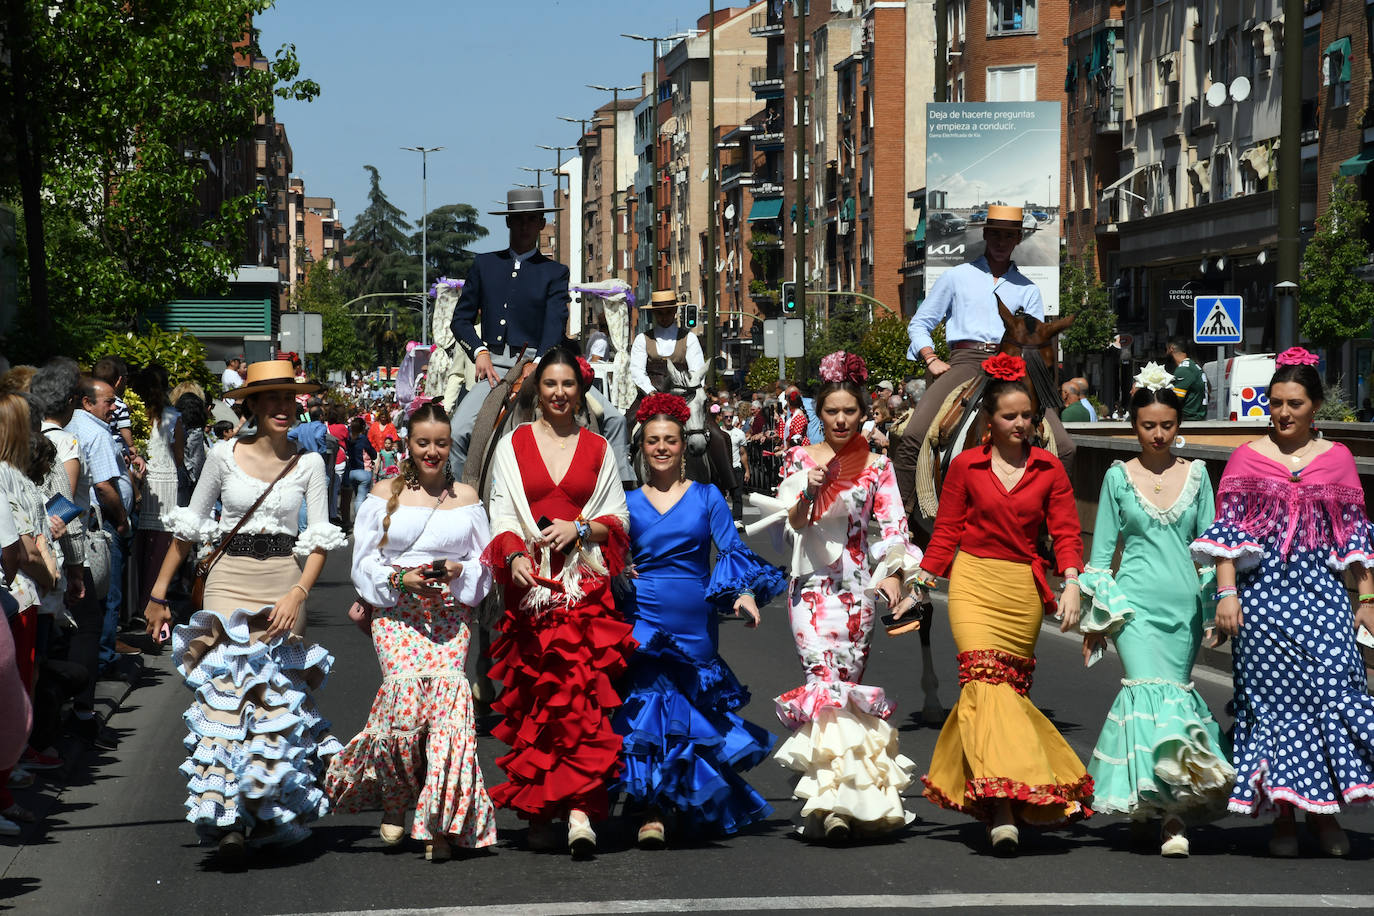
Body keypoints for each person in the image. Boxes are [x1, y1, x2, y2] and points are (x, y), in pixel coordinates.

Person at [142, 360, 347, 862]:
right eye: (272, 398)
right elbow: (189, 529)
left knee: (272, 703)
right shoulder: (222, 455)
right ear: (251, 404)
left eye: (289, 398)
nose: (283, 407)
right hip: (227, 581)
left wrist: (298, 593)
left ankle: (265, 807)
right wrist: (158, 594)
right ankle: (228, 818)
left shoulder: (310, 463)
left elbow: (319, 539)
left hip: (283, 583)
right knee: (227, 699)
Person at [1192, 348, 1374, 858]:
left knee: (1334, 694)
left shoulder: (1338, 459)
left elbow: (1354, 535)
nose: (1284, 413)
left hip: (1322, 599)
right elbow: (1228, 535)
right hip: (1262, 603)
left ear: (1315, 406)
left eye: (1295, 403)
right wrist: (1227, 593)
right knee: (1274, 709)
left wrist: (1367, 597)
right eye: (1275, 403)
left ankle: (1326, 815)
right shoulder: (1246, 457)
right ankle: (1286, 820)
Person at [916, 353, 1090, 856]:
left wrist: (1072, 582)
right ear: (988, 420)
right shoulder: (965, 465)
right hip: (972, 582)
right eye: (1009, 416)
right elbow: (947, 530)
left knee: (1006, 694)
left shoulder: (1049, 467)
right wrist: (923, 578)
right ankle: (1004, 809)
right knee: (982, 683)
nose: (1020, 424)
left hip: (1021, 590)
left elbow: (1066, 532)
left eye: (1027, 416)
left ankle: (1003, 792)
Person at [750, 351, 924, 843]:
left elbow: (894, 528)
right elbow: (791, 524)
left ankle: (845, 801)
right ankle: (831, 804)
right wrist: (808, 491)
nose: (842, 419)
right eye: (832, 411)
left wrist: (894, 575)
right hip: (809, 590)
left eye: (850, 411)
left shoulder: (879, 467)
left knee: (844, 690)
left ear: (863, 413)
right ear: (819, 414)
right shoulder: (799, 459)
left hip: (856, 592)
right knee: (822, 685)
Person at [326, 402, 497, 862]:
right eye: (423, 443)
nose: (432, 452)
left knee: (447, 720)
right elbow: (363, 562)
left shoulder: (467, 498)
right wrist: (401, 579)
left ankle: (439, 824)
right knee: (405, 713)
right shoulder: (383, 492)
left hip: (449, 616)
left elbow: (485, 564)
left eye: (440, 443)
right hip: (398, 614)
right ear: (409, 444)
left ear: (450, 446)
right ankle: (398, 800)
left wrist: (459, 570)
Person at [613, 394, 786, 847]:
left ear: (683, 446)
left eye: (670, 440)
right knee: (649, 703)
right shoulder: (625, 502)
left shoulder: (708, 496)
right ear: (641, 447)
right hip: (643, 613)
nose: (662, 448)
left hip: (694, 617)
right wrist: (620, 569)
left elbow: (730, 549)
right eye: (653, 440)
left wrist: (744, 595)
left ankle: (675, 799)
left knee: (688, 710)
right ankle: (651, 808)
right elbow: (609, 555)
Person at [481, 348, 635, 857]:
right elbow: (502, 513)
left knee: (581, 701)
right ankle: (542, 810)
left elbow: (618, 518)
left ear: (581, 390)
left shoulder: (598, 447)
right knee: (538, 703)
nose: (559, 393)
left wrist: (580, 528)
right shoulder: (513, 443)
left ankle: (581, 811)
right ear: (537, 389)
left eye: (568, 384)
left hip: (582, 587)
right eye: (550, 383)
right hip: (531, 591)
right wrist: (512, 554)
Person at [1077, 364, 1234, 858]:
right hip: (1134, 610)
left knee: (1174, 700)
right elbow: (1101, 556)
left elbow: (1210, 552)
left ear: (1179, 425)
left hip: (1182, 608)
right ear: (1134, 426)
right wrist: (1096, 621)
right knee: (1147, 697)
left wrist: (1213, 609)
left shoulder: (1199, 476)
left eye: (1167, 424)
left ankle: (1158, 808)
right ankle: (1169, 818)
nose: (1159, 434)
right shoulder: (1117, 478)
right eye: (1149, 425)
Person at [895, 204, 1074, 518]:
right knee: (914, 435)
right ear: (986, 235)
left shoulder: (1029, 289)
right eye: (996, 234)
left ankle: (1052, 525)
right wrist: (931, 358)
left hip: (1015, 365)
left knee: (1065, 446)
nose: (1002, 242)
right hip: (965, 361)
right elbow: (919, 324)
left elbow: (1034, 340)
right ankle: (902, 519)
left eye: (1009, 236)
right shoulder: (956, 277)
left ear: (1018, 239)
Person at [448, 188, 630, 484]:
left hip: (543, 362)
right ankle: (461, 501)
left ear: (541, 223)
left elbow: (555, 320)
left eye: (531, 219)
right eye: (518, 219)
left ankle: (624, 492)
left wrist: (541, 361)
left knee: (614, 418)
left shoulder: (554, 271)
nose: (524, 226)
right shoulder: (485, 265)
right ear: (508, 221)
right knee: (457, 432)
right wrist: (479, 352)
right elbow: (460, 320)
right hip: (495, 368)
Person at [130, 365, 185, 612]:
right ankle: (150, 601)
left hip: (137, 478)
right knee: (160, 547)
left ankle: (134, 603)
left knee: (137, 547)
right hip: (164, 481)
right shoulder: (173, 417)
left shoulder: (132, 414)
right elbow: (179, 456)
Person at [1166, 338, 1207, 421]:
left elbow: (1175, 400)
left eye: (1166, 349)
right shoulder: (1194, 366)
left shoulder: (1184, 369)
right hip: (1197, 418)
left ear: (1171, 349)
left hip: (1189, 420)